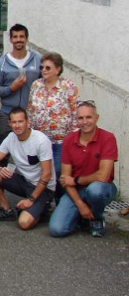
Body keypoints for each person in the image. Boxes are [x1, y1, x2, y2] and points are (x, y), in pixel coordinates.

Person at [50, 101, 118, 238]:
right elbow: (65, 179)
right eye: (81, 118)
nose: (85, 122)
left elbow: (103, 176)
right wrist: (80, 205)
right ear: (76, 120)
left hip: (102, 188)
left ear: (96, 118)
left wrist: (75, 180)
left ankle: (96, 218)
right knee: (56, 229)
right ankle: (81, 216)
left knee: (95, 191)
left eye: (89, 117)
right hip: (77, 191)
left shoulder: (108, 138)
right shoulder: (69, 140)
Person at [0, 107, 56, 230]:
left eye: (20, 121)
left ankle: (41, 210)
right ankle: (7, 210)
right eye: (14, 122)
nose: (17, 125)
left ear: (28, 122)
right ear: (9, 124)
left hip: (42, 188)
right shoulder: (11, 138)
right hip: (24, 181)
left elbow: (47, 174)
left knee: (24, 223)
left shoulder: (41, 140)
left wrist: (31, 200)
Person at [27, 52, 78, 199]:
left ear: (58, 69)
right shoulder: (36, 85)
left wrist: (73, 138)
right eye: (42, 67)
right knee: (42, 172)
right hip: (40, 140)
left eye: (48, 68)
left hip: (61, 141)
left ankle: (59, 202)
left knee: (58, 171)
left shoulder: (68, 86)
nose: (44, 70)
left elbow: (75, 112)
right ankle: (44, 203)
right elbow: (30, 110)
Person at [0, 23, 42, 141]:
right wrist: (11, 88)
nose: (18, 40)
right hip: (7, 115)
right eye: (15, 37)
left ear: (26, 39)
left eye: (21, 37)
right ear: (10, 40)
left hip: (30, 116)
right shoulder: (3, 62)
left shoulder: (37, 60)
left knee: (30, 154)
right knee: (4, 153)